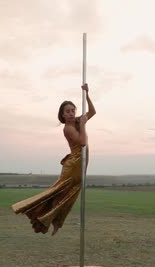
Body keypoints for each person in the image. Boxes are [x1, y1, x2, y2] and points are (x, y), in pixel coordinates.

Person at [12, 83, 96, 235]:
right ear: (63, 115)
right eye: (67, 112)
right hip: (74, 165)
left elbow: (93, 111)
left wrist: (87, 94)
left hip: (81, 164)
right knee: (59, 192)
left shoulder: (78, 121)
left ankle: (55, 221)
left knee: (71, 194)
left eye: (73, 110)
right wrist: (83, 125)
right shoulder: (68, 128)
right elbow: (83, 142)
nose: (71, 113)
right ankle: (40, 215)